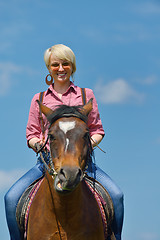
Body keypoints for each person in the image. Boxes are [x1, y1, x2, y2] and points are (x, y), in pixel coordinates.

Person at [4, 44, 124, 240]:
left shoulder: (86, 95)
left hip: (83, 164)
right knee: (10, 199)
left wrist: (83, 146)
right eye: (55, 64)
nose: (60, 68)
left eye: (65, 64)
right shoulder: (39, 99)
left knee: (117, 196)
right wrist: (40, 144)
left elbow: (97, 130)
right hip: (47, 163)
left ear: (72, 66)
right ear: (49, 68)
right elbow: (31, 134)